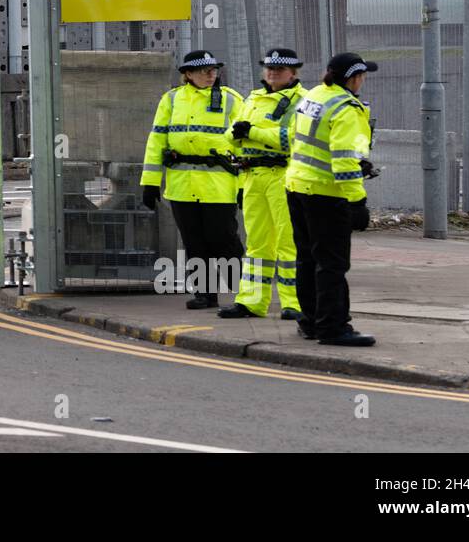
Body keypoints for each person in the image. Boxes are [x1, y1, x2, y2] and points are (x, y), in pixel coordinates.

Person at [285, 52, 378, 346]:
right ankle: (333, 327)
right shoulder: (347, 108)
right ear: (353, 78)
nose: (363, 81)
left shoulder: (314, 95)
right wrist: (357, 203)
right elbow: (344, 160)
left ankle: (310, 321)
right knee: (332, 264)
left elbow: (294, 136)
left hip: (298, 186)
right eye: (362, 76)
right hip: (327, 194)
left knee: (307, 259)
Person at [141, 50, 245, 309]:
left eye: (214, 70)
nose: (211, 74)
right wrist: (150, 181)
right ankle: (205, 294)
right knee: (194, 242)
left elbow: (245, 146)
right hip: (182, 187)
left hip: (219, 187)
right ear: (187, 74)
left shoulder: (232, 100)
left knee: (224, 239)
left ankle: (241, 289)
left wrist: (244, 185)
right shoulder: (172, 100)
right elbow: (157, 141)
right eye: (203, 71)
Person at [219, 49, 306, 321]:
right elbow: (231, 136)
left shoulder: (300, 101)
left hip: (282, 176)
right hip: (253, 176)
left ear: (293, 73)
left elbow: (292, 138)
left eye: (279, 70)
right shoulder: (253, 99)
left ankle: (295, 304)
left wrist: (252, 133)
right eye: (269, 68)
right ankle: (251, 302)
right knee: (257, 243)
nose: (272, 73)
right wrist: (241, 134)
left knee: (288, 242)